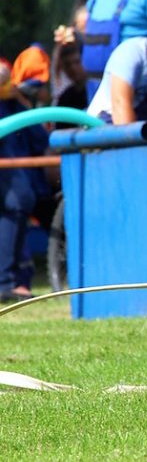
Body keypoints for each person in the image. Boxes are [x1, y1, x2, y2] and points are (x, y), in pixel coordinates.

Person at [0, 76, 49, 303]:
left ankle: (12, 282)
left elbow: (40, 136)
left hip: (23, 177)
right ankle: (7, 282)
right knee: (19, 197)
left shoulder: (13, 103)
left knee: (21, 198)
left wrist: (17, 95)